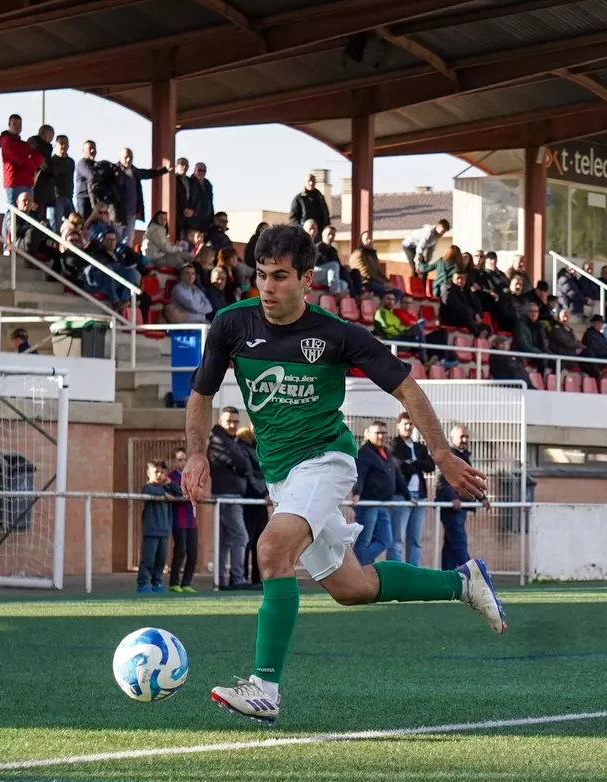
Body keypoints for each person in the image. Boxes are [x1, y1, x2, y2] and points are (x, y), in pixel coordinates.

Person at [181, 223, 504, 725]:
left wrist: (440, 453)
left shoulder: (338, 335)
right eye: (262, 276)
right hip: (282, 475)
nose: (268, 288)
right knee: (352, 587)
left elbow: (407, 389)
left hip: (326, 460)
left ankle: (265, 687)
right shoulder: (231, 325)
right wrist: (197, 454)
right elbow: (201, 394)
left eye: (281, 277)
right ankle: (462, 583)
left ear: (307, 279)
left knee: (270, 549)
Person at [208, 405, 254, 590]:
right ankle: (237, 578)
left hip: (230, 495)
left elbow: (242, 464)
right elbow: (242, 464)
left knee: (226, 540)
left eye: (235, 421)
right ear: (220, 422)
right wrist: (240, 464)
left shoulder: (228, 440)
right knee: (241, 536)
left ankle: (222, 580)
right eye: (229, 421)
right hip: (227, 495)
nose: (233, 425)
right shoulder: (220, 439)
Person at [352, 421, 406, 565]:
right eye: (377, 433)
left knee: (386, 540)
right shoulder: (364, 453)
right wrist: (356, 492)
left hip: (382, 504)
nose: (381, 436)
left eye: (383, 433)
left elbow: (397, 475)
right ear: (368, 435)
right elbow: (360, 474)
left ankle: (358, 566)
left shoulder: (386, 453)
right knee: (364, 541)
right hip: (368, 504)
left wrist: (408, 496)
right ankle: (357, 569)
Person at [389, 412, 433, 568]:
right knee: (397, 539)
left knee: (415, 539)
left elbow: (430, 466)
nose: (408, 427)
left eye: (411, 424)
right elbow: (400, 467)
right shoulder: (393, 445)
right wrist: (416, 464)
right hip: (401, 496)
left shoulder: (419, 447)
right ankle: (395, 573)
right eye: (405, 424)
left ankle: (414, 574)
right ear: (398, 425)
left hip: (420, 496)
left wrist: (412, 463)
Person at [436, 424, 477, 570]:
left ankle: (447, 576)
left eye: (467, 436)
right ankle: (473, 574)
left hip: (461, 505)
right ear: (452, 438)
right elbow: (443, 479)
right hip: (452, 506)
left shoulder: (463, 455)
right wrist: (453, 498)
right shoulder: (449, 456)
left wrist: (481, 498)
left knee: (450, 544)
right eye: (462, 436)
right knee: (459, 541)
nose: (465, 439)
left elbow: (468, 480)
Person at [137, 460, 181, 593]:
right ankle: (143, 584)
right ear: (148, 473)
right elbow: (149, 490)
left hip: (164, 531)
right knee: (148, 559)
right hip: (151, 530)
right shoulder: (148, 487)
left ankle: (157, 582)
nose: (159, 475)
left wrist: (171, 483)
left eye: (162, 472)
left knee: (161, 560)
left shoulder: (167, 487)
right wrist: (163, 494)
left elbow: (179, 493)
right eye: (156, 472)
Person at [110, 147, 170, 244]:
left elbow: (148, 173)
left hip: (131, 213)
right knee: (116, 238)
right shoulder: (113, 171)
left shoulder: (134, 171)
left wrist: (164, 170)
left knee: (128, 240)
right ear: (120, 158)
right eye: (126, 157)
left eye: (130, 157)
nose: (128, 159)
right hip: (118, 213)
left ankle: (125, 258)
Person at [0, 114, 42, 242]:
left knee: (28, 213)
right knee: (11, 212)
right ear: (9, 125)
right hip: (13, 182)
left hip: (27, 182)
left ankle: (22, 243)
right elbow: (20, 159)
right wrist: (31, 162)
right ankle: (7, 244)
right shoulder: (7, 142)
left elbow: (38, 157)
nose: (17, 127)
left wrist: (30, 161)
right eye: (14, 124)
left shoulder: (24, 144)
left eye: (19, 124)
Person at [238, 426, 270, 585]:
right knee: (248, 540)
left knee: (260, 540)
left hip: (260, 499)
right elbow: (249, 474)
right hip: (251, 500)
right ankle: (243, 577)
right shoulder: (244, 446)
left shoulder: (262, 446)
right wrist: (264, 492)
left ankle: (258, 578)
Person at [168, 448, 199, 593]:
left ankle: (186, 583)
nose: (183, 463)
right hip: (178, 520)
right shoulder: (170, 477)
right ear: (174, 461)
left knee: (193, 552)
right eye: (180, 459)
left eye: (185, 459)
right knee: (180, 551)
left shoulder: (191, 476)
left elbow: (197, 493)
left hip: (191, 521)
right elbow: (180, 492)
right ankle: (174, 583)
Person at [349, 232, 392, 296]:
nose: (370, 241)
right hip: (366, 283)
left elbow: (380, 272)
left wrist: (387, 282)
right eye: (367, 239)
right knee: (386, 292)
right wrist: (383, 283)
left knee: (398, 293)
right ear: (361, 241)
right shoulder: (358, 255)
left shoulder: (372, 254)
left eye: (371, 238)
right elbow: (365, 274)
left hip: (377, 282)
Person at [47, 135, 76, 230]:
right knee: (56, 225)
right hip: (56, 196)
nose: (63, 146)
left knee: (75, 223)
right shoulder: (52, 161)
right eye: (61, 143)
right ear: (56, 145)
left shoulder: (70, 161)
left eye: (66, 144)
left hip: (69, 196)